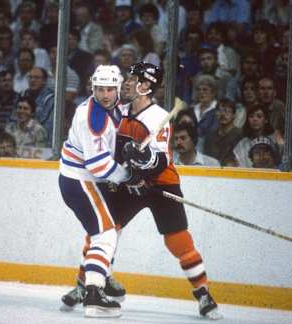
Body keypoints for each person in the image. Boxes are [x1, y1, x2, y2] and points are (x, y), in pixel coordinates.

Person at [114, 62, 223, 319]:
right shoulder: (120, 111)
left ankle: (203, 293)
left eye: (133, 79)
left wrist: (141, 161)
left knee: (178, 241)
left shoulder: (157, 117)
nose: (126, 83)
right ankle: (89, 282)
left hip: (162, 183)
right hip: (131, 181)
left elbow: (160, 161)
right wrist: (126, 165)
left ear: (146, 85)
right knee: (106, 227)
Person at [59, 65, 131, 318]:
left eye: (110, 89)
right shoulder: (93, 117)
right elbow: (98, 165)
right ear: (93, 88)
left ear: (118, 89)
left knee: (112, 227)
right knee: (105, 234)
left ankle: (99, 275)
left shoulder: (114, 107)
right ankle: (94, 293)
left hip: (88, 180)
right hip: (80, 181)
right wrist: (129, 176)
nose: (105, 94)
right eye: (100, 89)